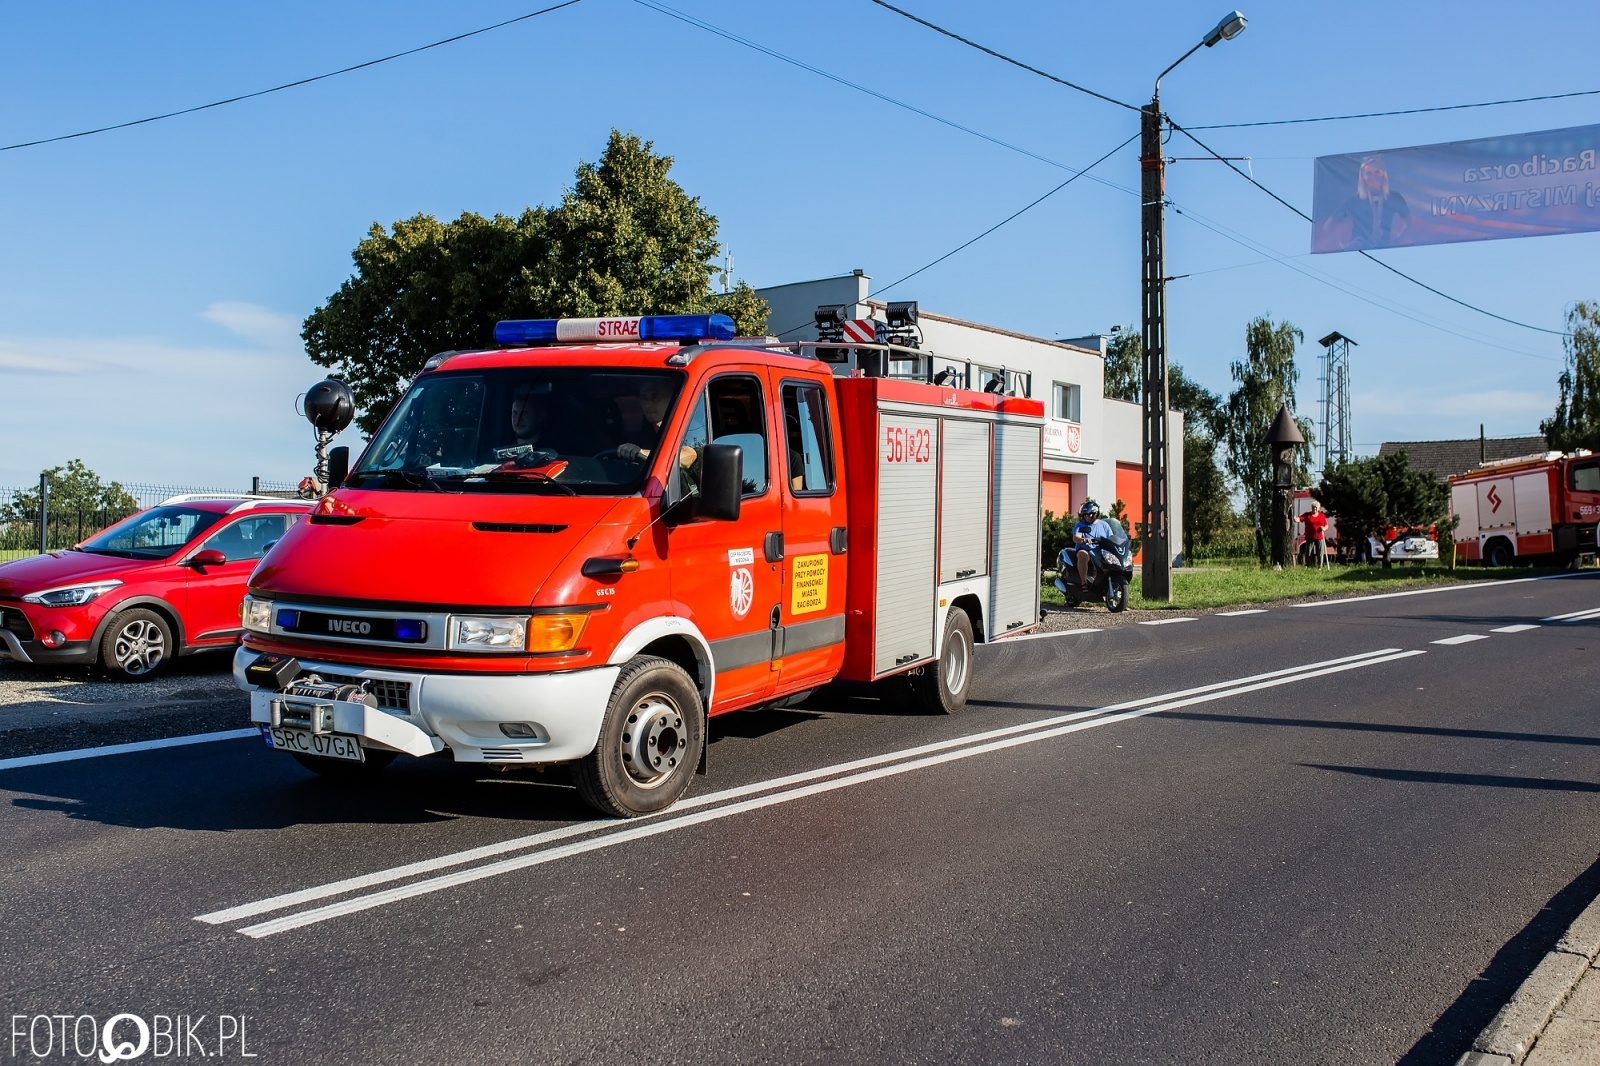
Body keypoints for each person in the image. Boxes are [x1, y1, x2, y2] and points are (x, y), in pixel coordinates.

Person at [616, 376, 697, 471]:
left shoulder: (688, 424)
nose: (648, 404)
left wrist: (643, 454)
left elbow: (690, 454)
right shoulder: (644, 432)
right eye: (644, 397)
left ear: (672, 399)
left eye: (655, 397)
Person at [1070, 499, 1114, 589]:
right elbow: (1076, 537)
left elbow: (1111, 538)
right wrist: (1084, 540)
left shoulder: (1104, 525)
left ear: (1095, 513)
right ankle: (1084, 583)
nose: (1086, 517)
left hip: (1101, 550)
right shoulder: (1080, 525)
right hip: (1086, 549)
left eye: (1088, 515)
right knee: (1082, 555)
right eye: (1084, 515)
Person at [1303, 500, 1330, 568]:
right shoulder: (1307, 515)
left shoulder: (1322, 516)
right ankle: (1308, 566)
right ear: (1311, 507)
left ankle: (1320, 567)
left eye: (1316, 507)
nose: (1314, 508)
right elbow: (1299, 518)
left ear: (1318, 508)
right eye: (1313, 507)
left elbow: (1326, 525)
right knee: (1308, 552)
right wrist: (1295, 519)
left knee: (1320, 552)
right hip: (1310, 536)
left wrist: (1324, 528)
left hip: (1319, 537)